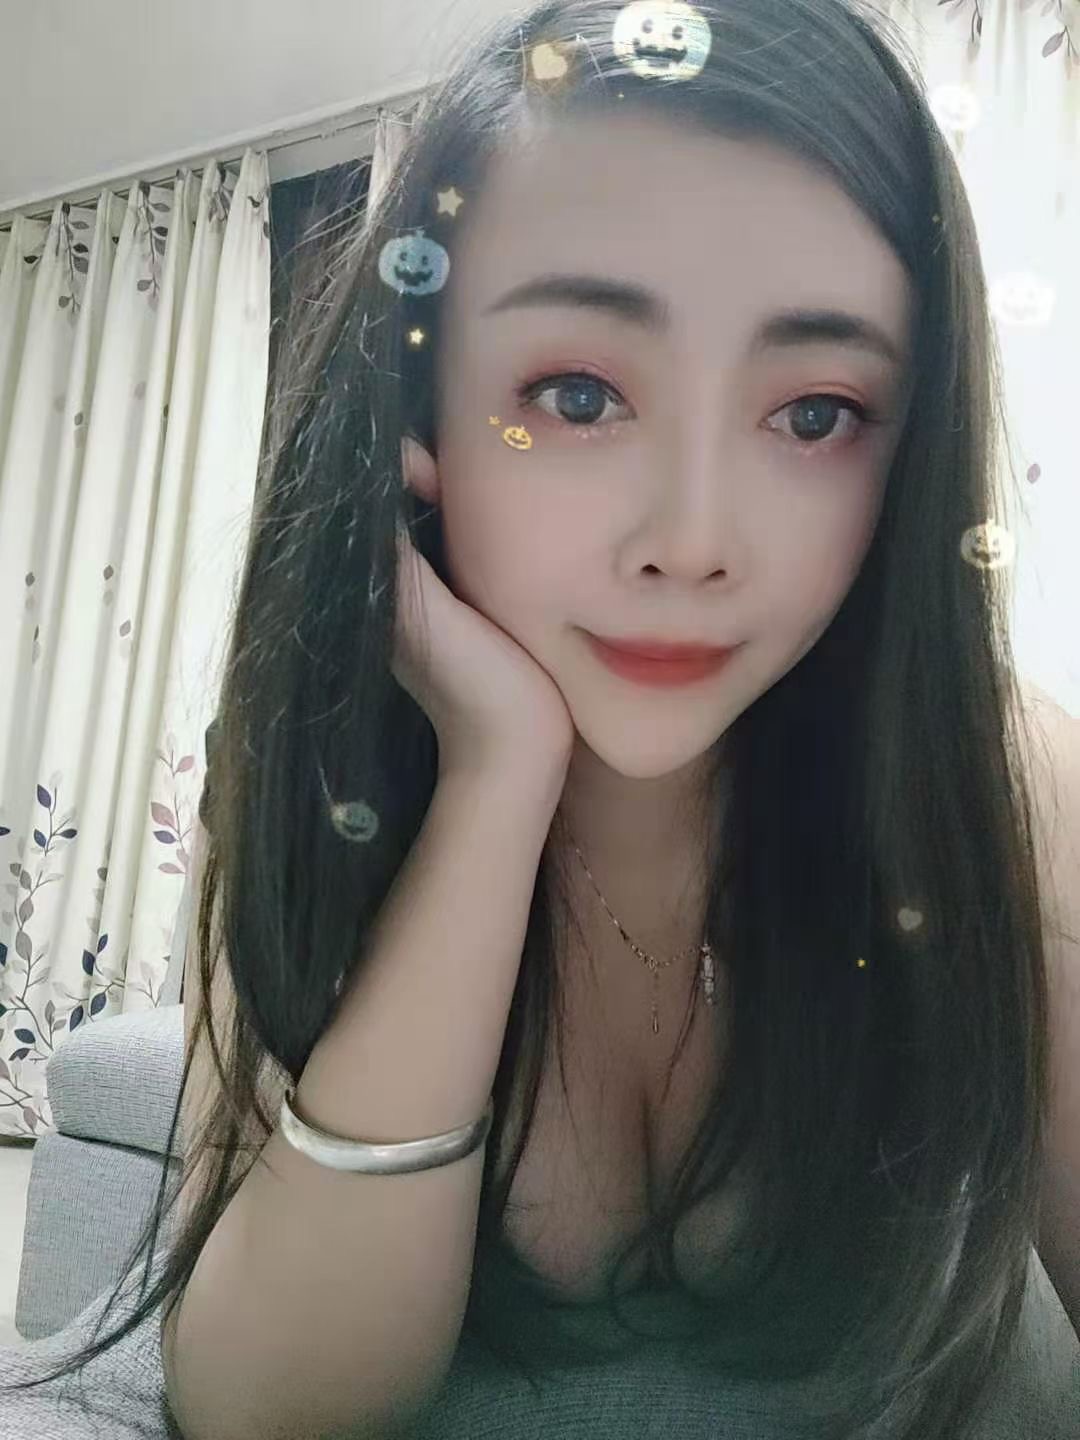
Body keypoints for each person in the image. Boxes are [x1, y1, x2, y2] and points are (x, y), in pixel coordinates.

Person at [2, 1, 1078, 1436]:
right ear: (420, 422)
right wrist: (494, 778)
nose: (693, 541)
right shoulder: (313, 792)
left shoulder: (999, 783)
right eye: (578, 395)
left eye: (817, 413)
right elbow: (269, 1403)